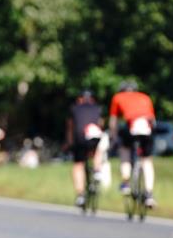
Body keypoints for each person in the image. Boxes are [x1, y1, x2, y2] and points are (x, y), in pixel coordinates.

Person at [109, 79, 157, 207]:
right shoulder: (145, 97)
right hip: (146, 128)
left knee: (124, 149)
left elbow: (113, 121)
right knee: (146, 160)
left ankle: (126, 182)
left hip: (131, 127)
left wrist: (113, 137)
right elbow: (153, 120)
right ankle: (149, 194)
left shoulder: (118, 97)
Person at [66, 90, 105, 209]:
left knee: (78, 165)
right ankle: (97, 170)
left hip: (80, 137)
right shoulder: (98, 108)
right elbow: (101, 124)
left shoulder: (74, 108)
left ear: (79, 99)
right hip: (94, 136)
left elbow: (70, 128)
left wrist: (69, 143)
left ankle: (80, 195)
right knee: (97, 149)